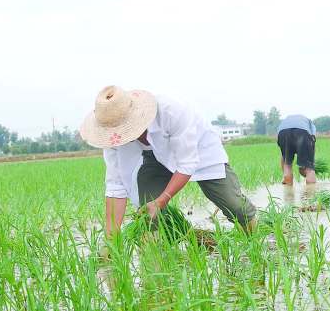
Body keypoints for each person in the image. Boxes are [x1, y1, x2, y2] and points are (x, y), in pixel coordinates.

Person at [79, 85, 257, 242]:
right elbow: (115, 186)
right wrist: (111, 242)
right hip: (153, 158)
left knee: (236, 207)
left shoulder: (172, 110)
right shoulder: (112, 136)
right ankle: (160, 259)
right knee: (148, 216)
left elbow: (187, 163)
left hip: (200, 151)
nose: (121, 134)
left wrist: (162, 200)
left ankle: (253, 242)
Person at [276, 114, 317, 184]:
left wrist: (285, 174)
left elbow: (283, 157)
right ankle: (310, 193)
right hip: (302, 132)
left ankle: (288, 192)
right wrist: (309, 164)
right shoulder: (310, 123)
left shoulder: (286, 120)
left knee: (287, 165)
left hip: (282, 132)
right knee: (309, 169)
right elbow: (312, 141)